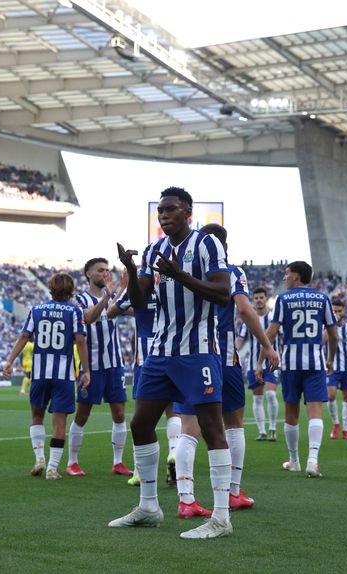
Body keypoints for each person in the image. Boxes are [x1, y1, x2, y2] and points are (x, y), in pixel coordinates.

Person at [109, 186, 233, 539]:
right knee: (140, 424)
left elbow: (223, 294)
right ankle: (149, 506)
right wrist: (132, 270)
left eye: (171, 209)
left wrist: (179, 275)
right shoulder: (154, 251)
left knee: (211, 427)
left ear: (188, 212)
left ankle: (221, 518)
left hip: (197, 351)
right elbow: (138, 300)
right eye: (160, 211)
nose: (164, 216)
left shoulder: (207, 245)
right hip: (160, 352)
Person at [173, 224, 280, 519]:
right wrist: (268, 346)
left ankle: (186, 499)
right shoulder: (231, 272)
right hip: (222, 356)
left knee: (187, 427)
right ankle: (232, 492)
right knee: (233, 424)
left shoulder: (178, 270)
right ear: (224, 247)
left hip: (184, 355)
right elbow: (244, 310)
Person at [3, 273, 91, 480]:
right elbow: (80, 341)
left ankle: (39, 458)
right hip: (64, 375)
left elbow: (25, 336)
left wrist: (9, 360)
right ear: (71, 290)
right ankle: (52, 468)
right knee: (59, 423)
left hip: (40, 373)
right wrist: (86, 370)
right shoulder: (75, 311)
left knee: (37, 416)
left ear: (50, 288)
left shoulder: (37, 310)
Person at [257, 261, 337, 479]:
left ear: (296, 276)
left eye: (287, 273)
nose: (284, 277)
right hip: (315, 363)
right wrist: (330, 360)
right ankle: (313, 459)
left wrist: (259, 362)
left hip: (291, 364)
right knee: (315, 411)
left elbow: (271, 334)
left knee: (291, 413)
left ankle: (294, 460)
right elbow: (334, 335)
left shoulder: (283, 299)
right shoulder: (323, 298)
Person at [107, 289, 182, 488]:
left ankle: (140, 472)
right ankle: (174, 452)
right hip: (173, 354)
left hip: (146, 358)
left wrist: (122, 287)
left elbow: (111, 311)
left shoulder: (138, 288)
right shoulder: (173, 288)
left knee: (142, 418)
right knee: (173, 411)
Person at [69, 258, 132, 477]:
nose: (105, 273)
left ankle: (118, 462)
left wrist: (125, 288)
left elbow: (136, 310)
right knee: (83, 413)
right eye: (100, 270)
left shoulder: (116, 298)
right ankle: (72, 462)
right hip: (92, 365)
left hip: (114, 364)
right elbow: (89, 317)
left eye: (107, 270)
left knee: (119, 412)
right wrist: (108, 295)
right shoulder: (79, 300)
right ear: (89, 274)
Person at [237, 286, 279, 441]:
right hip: (253, 364)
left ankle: (273, 428)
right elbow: (240, 339)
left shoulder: (274, 318)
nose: (259, 300)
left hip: (272, 363)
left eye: (262, 297)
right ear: (253, 301)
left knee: (271, 394)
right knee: (257, 398)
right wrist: (234, 350)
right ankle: (262, 431)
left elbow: (281, 338)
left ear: (266, 299)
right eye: (256, 298)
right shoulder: (248, 319)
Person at [324, 300, 347, 440]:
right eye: (335, 311)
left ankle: (345, 429)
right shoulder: (327, 329)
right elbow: (320, 343)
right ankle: (336, 424)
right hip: (332, 368)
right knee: (330, 396)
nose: (337, 314)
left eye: (339, 311)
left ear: (344, 311)